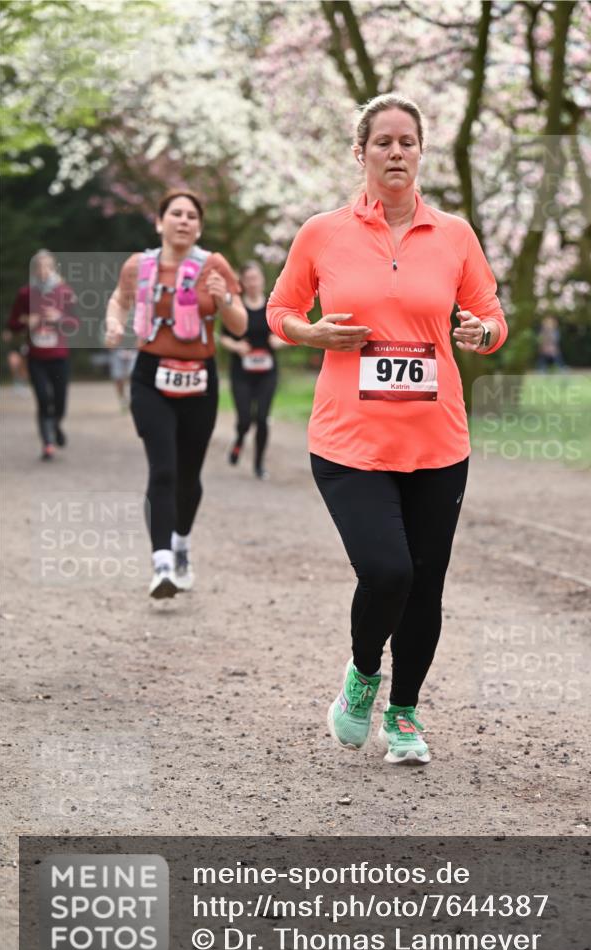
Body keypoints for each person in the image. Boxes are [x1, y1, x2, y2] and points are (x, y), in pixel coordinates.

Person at [267, 94, 508, 766]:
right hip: (349, 439)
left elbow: (490, 316)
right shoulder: (323, 232)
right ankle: (362, 675)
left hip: (437, 440)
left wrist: (482, 333)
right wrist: (309, 331)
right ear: (361, 152)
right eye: (382, 143)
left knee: (425, 583)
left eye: (407, 142)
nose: (395, 153)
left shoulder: (455, 235)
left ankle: (402, 715)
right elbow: (280, 307)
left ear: (420, 151)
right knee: (386, 569)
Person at [105, 189, 247, 599]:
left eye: (191, 216)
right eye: (175, 213)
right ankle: (162, 561)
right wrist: (115, 323)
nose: (183, 220)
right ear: (159, 221)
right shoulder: (139, 265)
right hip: (151, 377)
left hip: (199, 379)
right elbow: (119, 300)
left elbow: (238, 325)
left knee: (189, 475)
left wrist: (224, 301)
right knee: (162, 468)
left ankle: (182, 543)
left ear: (198, 227)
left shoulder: (214, 265)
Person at [5, 250, 77, 459]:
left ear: (54, 268)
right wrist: (28, 321)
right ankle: (47, 444)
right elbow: (12, 323)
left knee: (60, 402)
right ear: (34, 269)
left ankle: (56, 425)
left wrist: (59, 318)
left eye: (48, 266)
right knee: (43, 400)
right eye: (39, 267)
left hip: (59, 356)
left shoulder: (64, 292)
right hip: (36, 358)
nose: (43, 271)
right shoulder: (25, 293)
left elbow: (75, 324)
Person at [220, 261, 285, 480]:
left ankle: (259, 464)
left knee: (263, 417)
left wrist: (279, 340)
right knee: (245, 419)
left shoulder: (272, 306)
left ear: (262, 280)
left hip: (267, 372)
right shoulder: (236, 307)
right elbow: (223, 337)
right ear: (243, 283)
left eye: (256, 278)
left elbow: (289, 331)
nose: (253, 283)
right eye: (248, 279)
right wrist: (236, 346)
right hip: (242, 373)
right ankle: (239, 439)